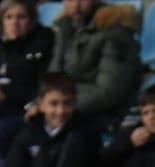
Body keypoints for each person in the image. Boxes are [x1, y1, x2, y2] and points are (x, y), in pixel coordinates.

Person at [47, 0, 138, 133]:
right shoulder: (64, 27)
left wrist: (61, 106)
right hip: (66, 111)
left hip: (101, 115)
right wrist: (43, 102)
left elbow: (108, 93)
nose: (76, 5)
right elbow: (52, 77)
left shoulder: (116, 33)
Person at [0, 0, 53, 140]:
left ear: (32, 20)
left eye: (21, 17)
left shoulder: (43, 43)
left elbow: (42, 88)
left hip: (25, 108)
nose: (14, 23)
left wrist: (5, 91)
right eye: (9, 17)